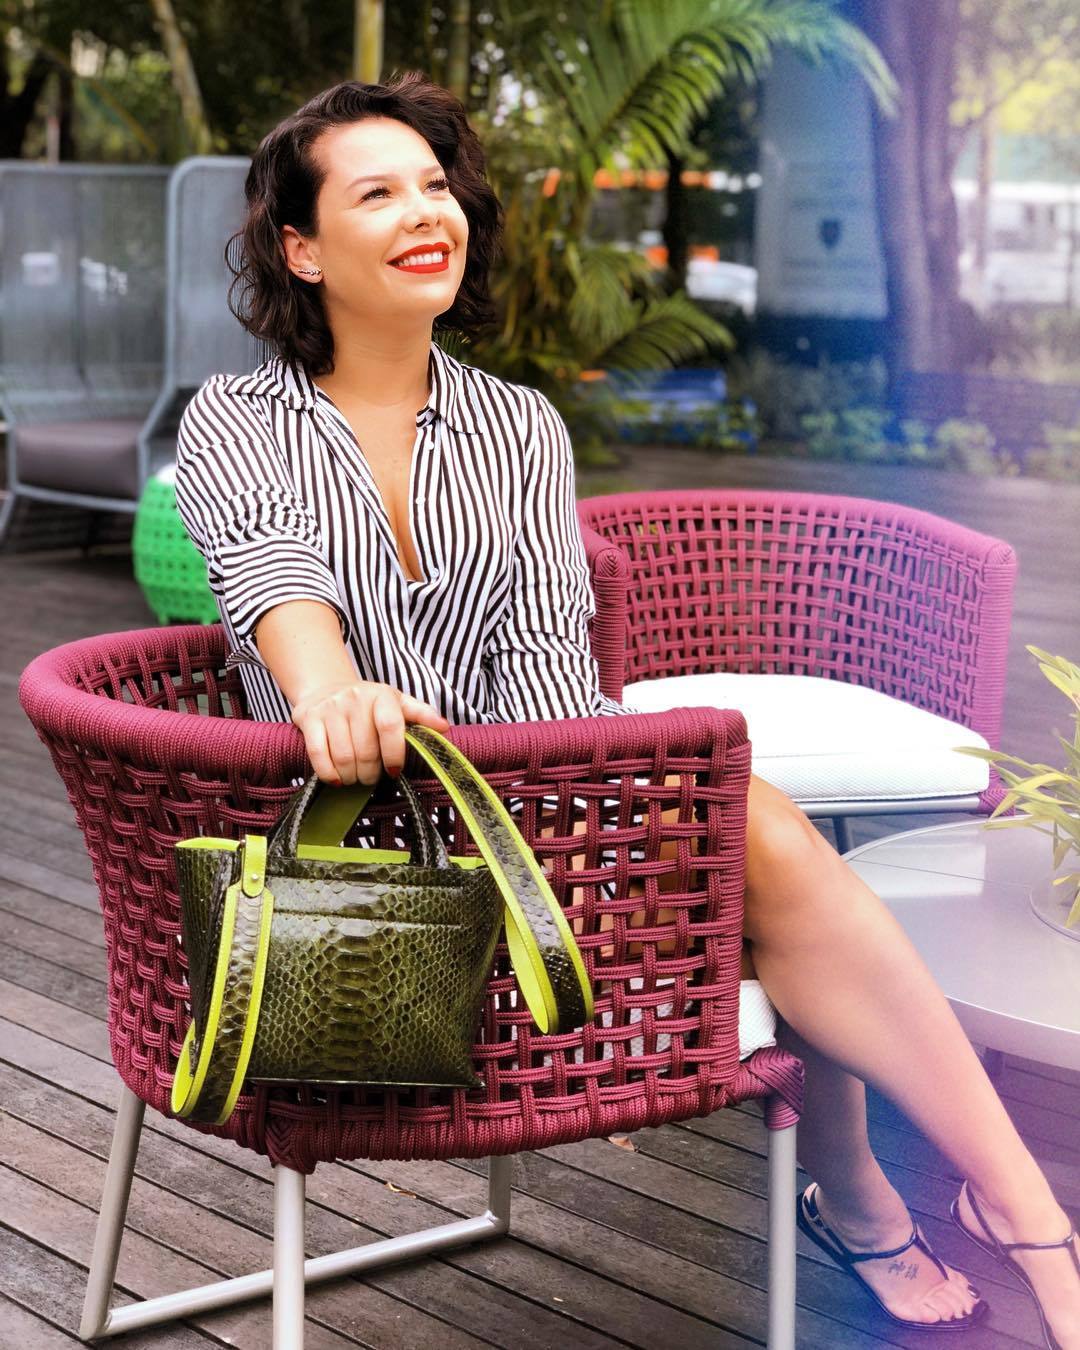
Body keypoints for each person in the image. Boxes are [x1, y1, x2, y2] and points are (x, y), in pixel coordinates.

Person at [174, 73, 1080, 1344]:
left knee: (760, 837)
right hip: (361, 879)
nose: (426, 210)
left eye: (436, 185)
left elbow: (553, 675)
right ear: (303, 249)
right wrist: (333, 693)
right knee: (781, 865)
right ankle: (945, 1210)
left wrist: (607, 815)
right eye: (377, 193)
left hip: (539, 831)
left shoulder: (517, 427)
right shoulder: (234, 422)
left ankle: (1000, 1209)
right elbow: (278, 587)